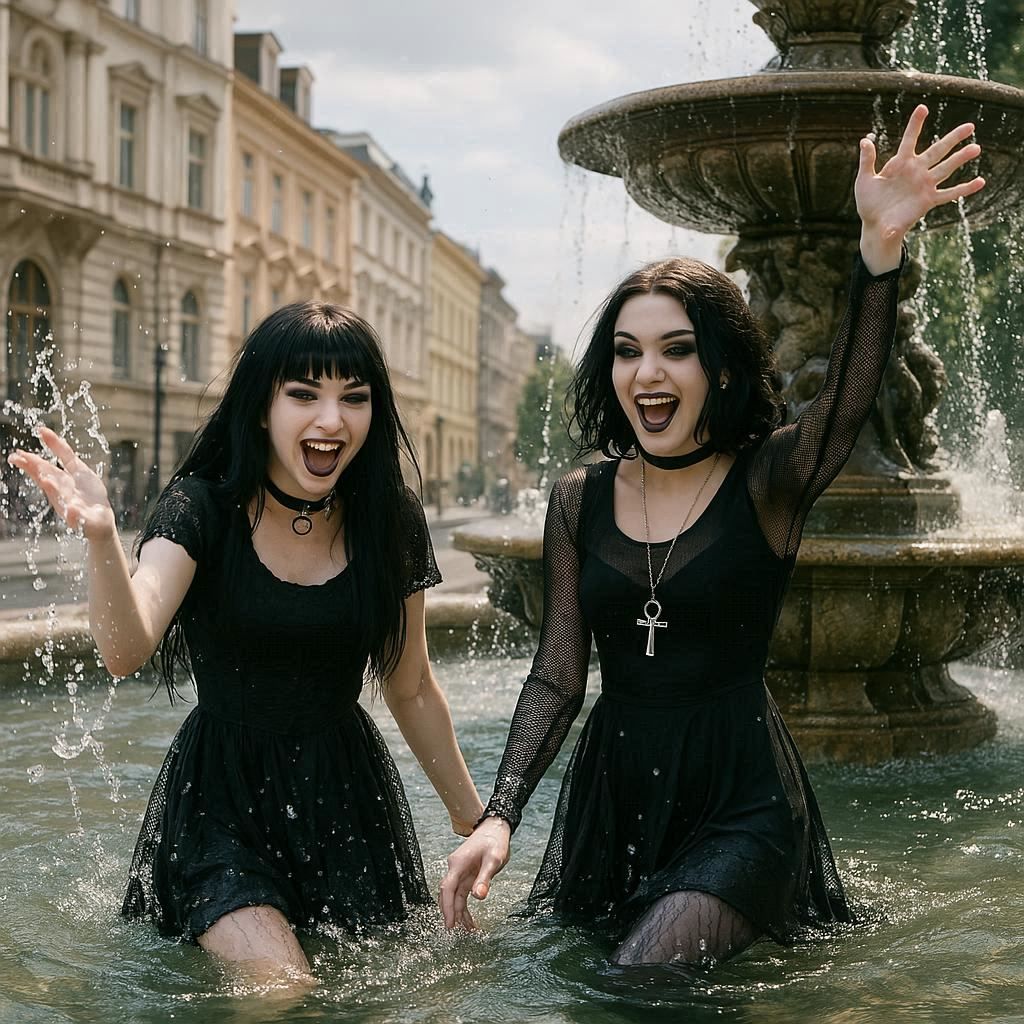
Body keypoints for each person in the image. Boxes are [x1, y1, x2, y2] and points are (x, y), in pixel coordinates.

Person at [440, 106, 985, 966]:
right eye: (626, 351)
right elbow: (556, 674)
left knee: (641, 974)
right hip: (613, 801)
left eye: (675, 350)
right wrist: (499, 813)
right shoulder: (579, 498)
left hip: (742, 799)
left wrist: (879, 247)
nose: (646, 373)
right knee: (580, 985)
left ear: (720, 367)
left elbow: (844, 402)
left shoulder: (768, 480)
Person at [9, 303, 483, 985]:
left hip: (347, 798)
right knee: (282, 986)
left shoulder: (389, 518)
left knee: (370, 994)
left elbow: (409, 686)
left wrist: (477, 824)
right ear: (261, 406)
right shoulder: (202, 506)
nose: (332, 420)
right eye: (303, 395)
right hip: (219, 803)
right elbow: (126, 646)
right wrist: (103, 539)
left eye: (354, 398)